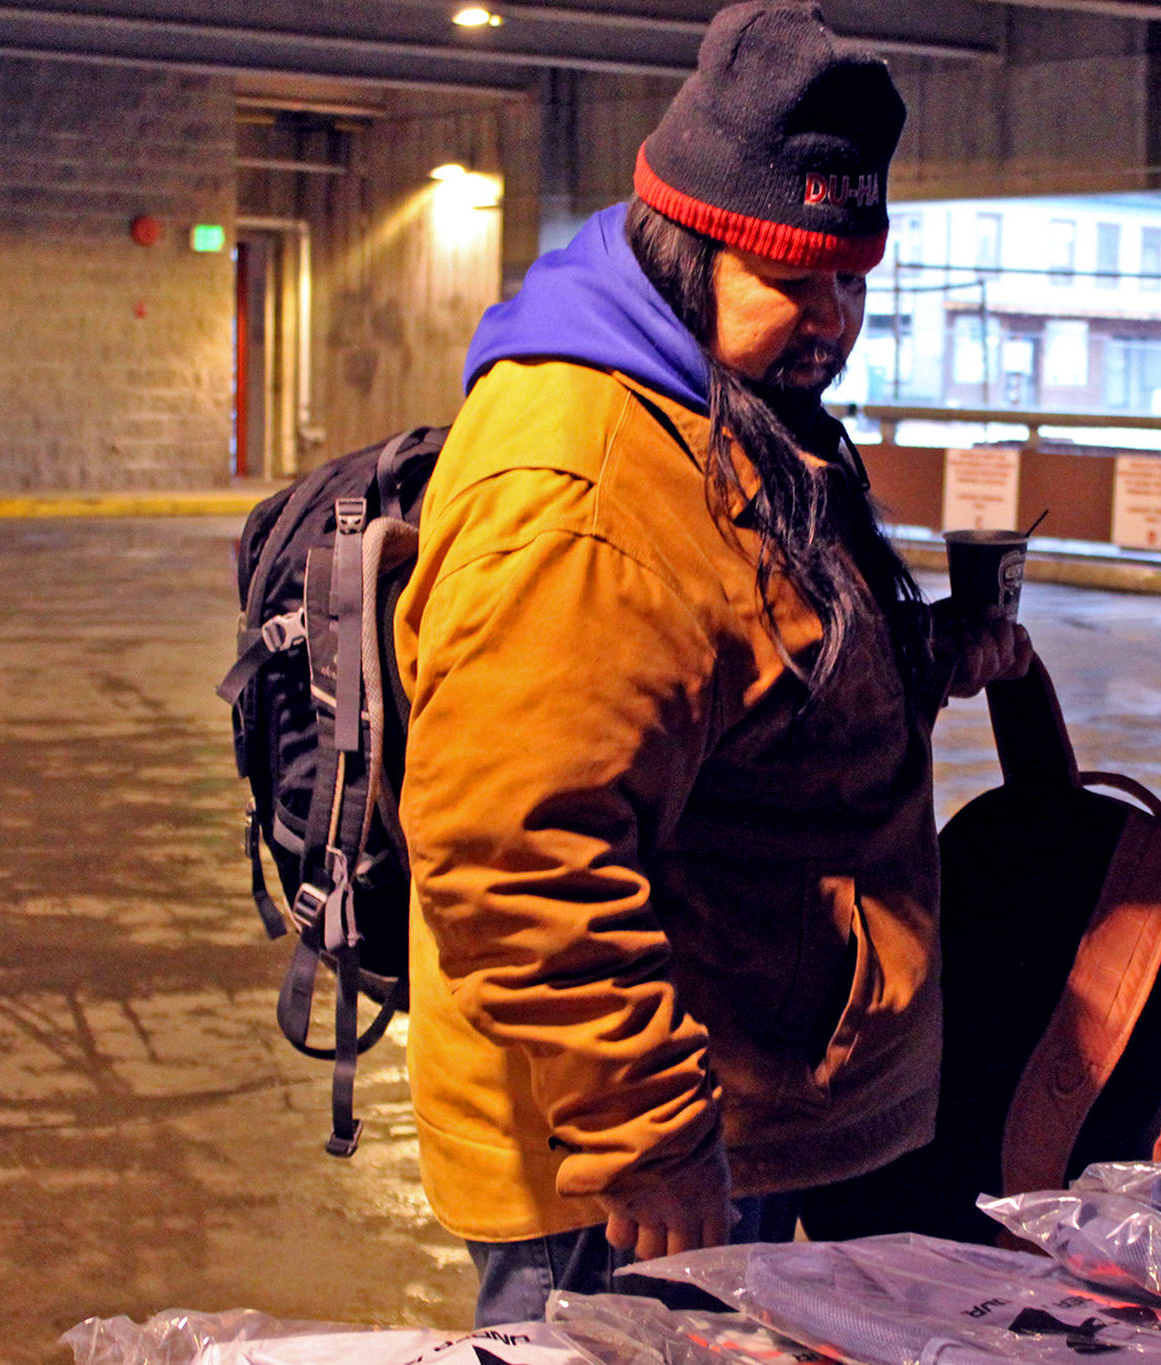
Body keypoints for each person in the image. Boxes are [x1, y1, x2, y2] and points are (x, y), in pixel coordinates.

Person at [394, 0, 1028, 1326]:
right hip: (623, 1160)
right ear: (688, 245)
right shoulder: (581, 480)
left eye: (852, 280)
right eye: (792, 281)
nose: (831, 320)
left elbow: (738, 666)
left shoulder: (727, 408)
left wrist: (917, 661)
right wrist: (646, 1132)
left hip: (742, 1094)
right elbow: (512, 843)